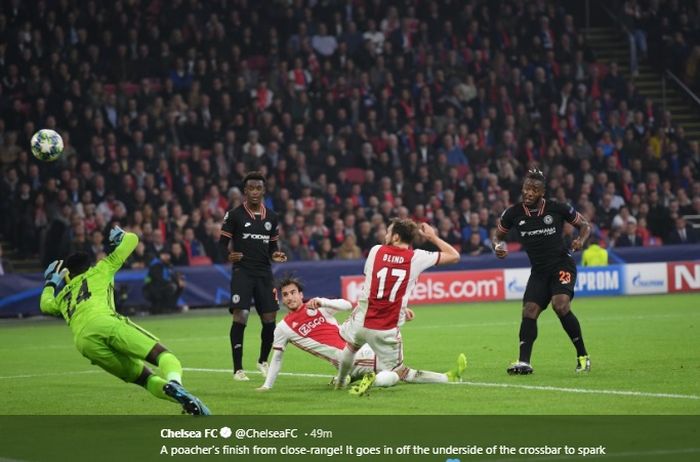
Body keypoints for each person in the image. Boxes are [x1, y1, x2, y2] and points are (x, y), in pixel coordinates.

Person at [39, 226, 210, 415]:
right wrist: (121, 236)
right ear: (89, 266)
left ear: (67, 275)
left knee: (144, 379)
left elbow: (45, 305)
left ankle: (187, 403)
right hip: (105, 322)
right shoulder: (101, 269)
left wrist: (50, 283)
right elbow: (133, 240)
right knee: (163, 355)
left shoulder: (63, 295)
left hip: (84, 342)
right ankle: (176, 384)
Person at [256, 276, 466, 392]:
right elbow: (277, 357)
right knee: (398, 372)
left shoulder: (318, 305)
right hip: (347, 357)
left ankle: (357, 378)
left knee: (361, 315)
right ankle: (447, 378)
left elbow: (347, 304)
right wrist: (267, 386)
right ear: (282, 300)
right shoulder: (283, 327)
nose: (290, 297)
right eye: (286, 295)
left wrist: (324, 301)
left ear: (300, 294)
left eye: (293, 292)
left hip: (358, 348)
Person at [334, 218, 461, 394]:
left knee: (351, 347)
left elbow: (377, 287)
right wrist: (432, 237)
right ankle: (377, 379)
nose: (385, 235)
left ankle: (340, 382)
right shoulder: (417, 257)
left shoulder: (375, 251)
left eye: (388, 232)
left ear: (395, 237)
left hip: (361, 320)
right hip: (385, 328)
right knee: (399, 372)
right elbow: (455, 256)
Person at [492, 169, 592, 375]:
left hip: (561, 265)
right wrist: (498, 246)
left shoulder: (557, 208)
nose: (529, 192)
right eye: (526, 188)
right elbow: (498, 236)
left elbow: (584, 225)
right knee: (529, 311)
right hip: (539, 272)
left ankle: (583, 356)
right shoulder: (513, 213)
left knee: (560, 305)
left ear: (542, 193)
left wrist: (580, 240)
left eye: (534, 189)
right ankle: (524, 362)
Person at [219, 171, 287, 381]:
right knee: (241, 314)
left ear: (264, 190)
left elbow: (272, 246)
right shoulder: (234, 215)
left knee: (270, 318)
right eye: (251, 188)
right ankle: (238, 369)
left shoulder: (272, 216)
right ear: (245, 191)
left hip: (264, 272)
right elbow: (221, 245)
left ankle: (262, 361)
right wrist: (229, 255)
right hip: (243, 272)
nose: (255, 192)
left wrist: (275, 254)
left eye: (259, 188)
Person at [142, 249, 186, 314]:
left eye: (168, 255)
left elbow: (172, 275)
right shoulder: (156, 265)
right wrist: (174, 282)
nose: (167, 257)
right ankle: (165, 308)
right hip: (152, 288)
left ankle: (171, 306)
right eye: (164, 255)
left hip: (162, 286)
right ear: (160, 256)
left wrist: (178, 280)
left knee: (179, 286)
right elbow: (159, 280)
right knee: (171, 287)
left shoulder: (168, 265)